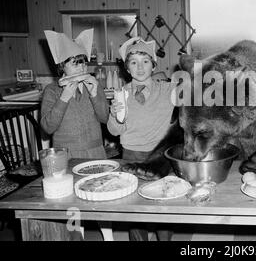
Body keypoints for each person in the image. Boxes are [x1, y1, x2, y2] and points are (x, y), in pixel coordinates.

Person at [107, 37, 176, 241]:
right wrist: (114, 114)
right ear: (127, 68)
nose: (140, 67)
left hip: (160, 157)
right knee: (134, 211)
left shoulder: (168, 90)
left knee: (163, 208)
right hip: (131, 155)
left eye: (145, 61)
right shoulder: (121, 94)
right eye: (134, 62)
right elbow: (114, 131)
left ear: (153, 65)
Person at [41, 29, 109, 159]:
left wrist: (94, 94)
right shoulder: (52, 90)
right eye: (75, 64)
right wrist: (64, 98)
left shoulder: (94, 85)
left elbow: (105, 119)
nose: (81, 68)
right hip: (65, 154)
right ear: (62, 66)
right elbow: (48, 127)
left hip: (95, 151)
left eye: (84, 63)